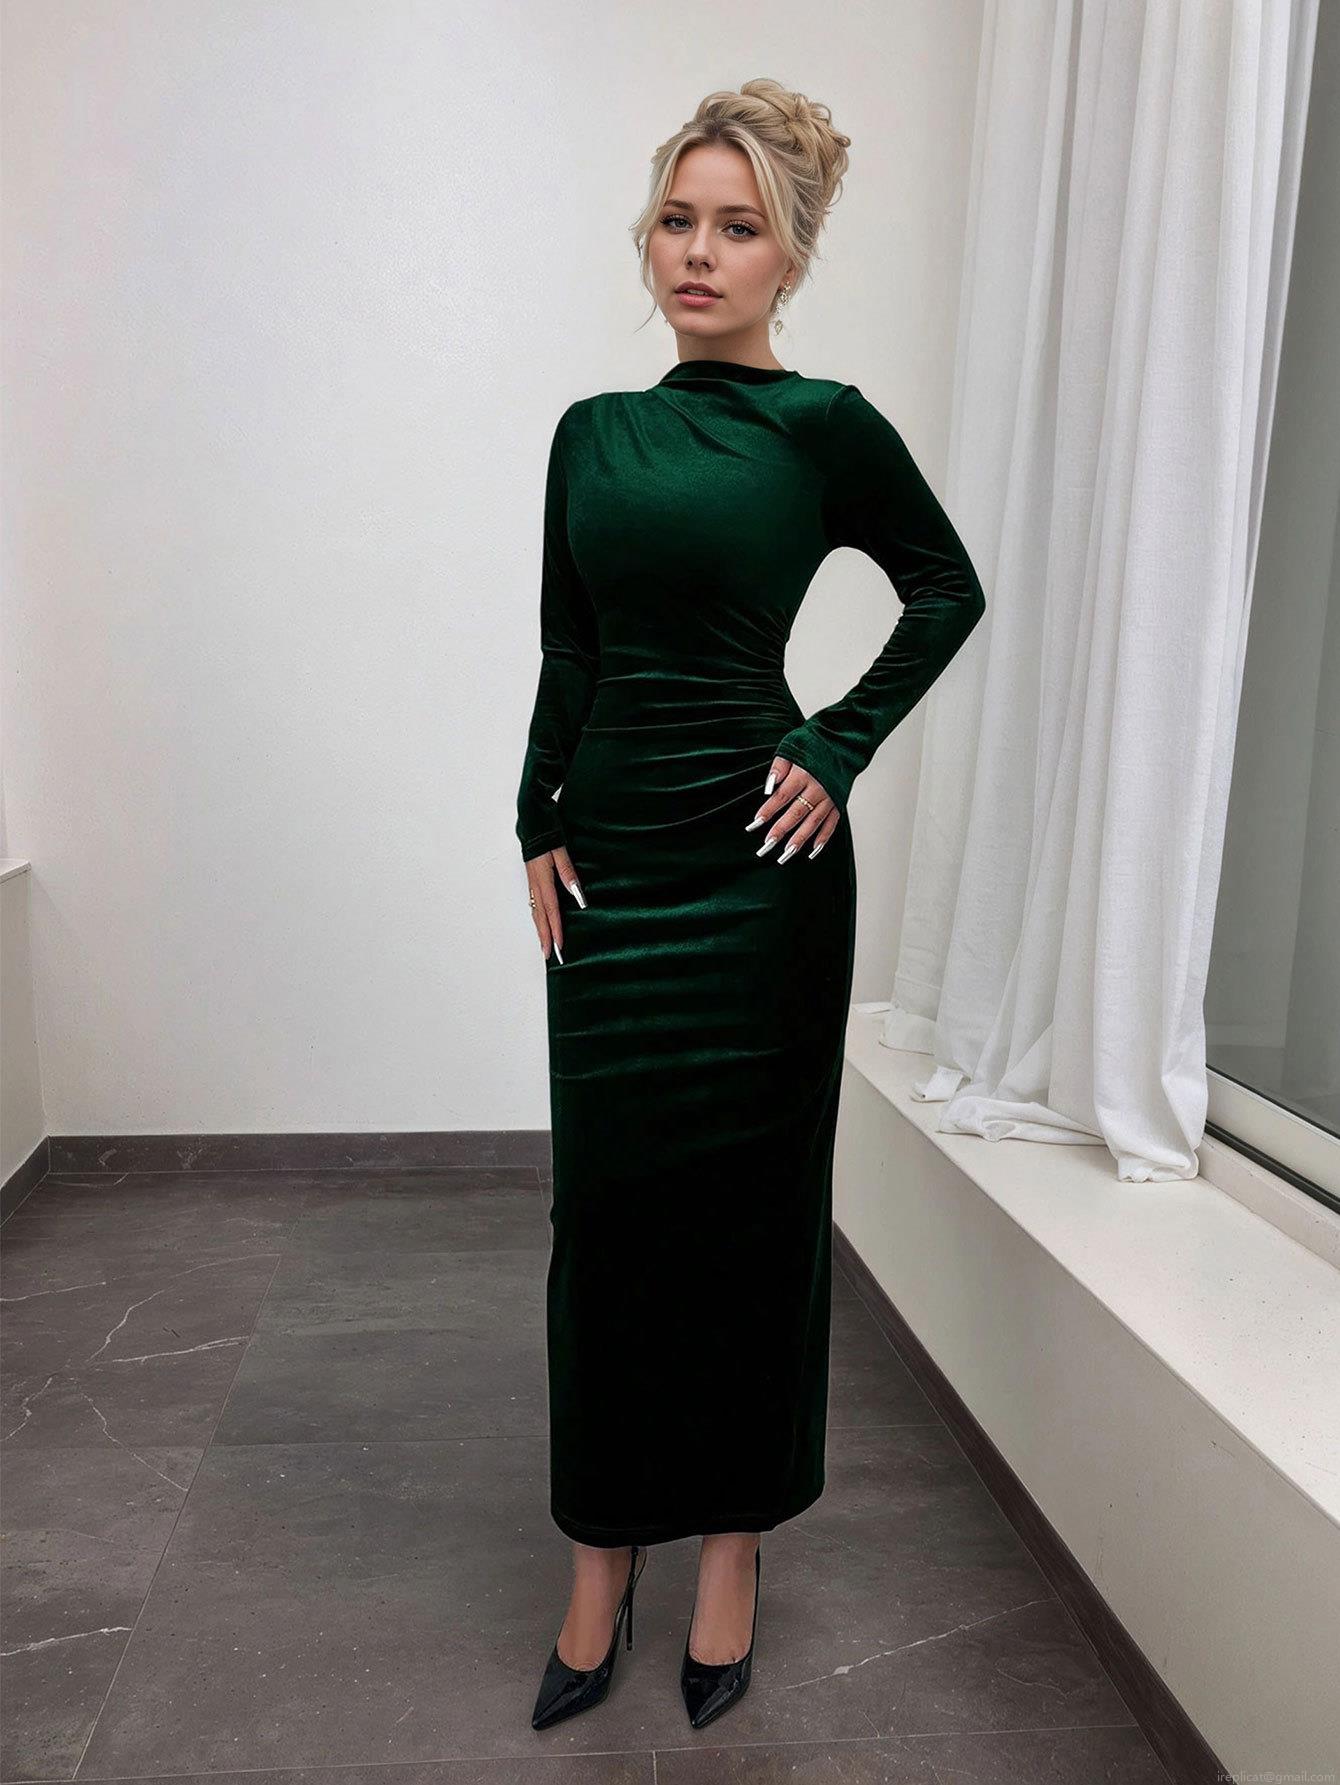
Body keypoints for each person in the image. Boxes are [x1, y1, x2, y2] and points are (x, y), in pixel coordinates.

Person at [517, 78, 986, 1734]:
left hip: (762, 876)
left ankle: (732, 1544)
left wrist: (836, 743)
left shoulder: (823, 427)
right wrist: (533, 818)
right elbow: (572, 645)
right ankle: (600, 1552)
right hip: (613, 870)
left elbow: (947, 586)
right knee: (605, 1222)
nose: (699, 252)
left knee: (752, 1224)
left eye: (738, 227)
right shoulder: (592, 433)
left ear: (791, 257)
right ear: (647, 238)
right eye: (678, 219)